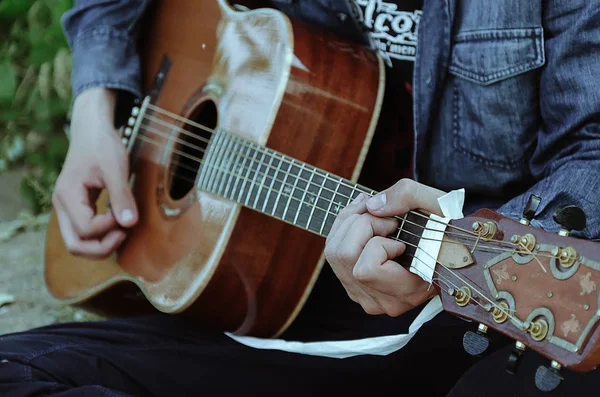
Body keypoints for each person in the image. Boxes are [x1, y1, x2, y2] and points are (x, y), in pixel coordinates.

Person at [1, 0, 599, 396]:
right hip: (254, 318)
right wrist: (95, 111)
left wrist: (456, 239)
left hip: (463, 313)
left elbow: (592, 149)